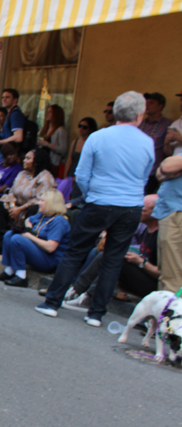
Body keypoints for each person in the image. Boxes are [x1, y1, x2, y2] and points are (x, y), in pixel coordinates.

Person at [36, 91, 155, 327]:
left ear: (116, 113)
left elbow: (81, 174)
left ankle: (52, 303)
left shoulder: (98, 137)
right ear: (139, 115)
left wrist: (92, 195)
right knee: (113, 258)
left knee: (75, 251)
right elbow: (145, 176)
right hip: (131, 205)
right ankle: (96, 314)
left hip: (100, 201)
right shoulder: (147, 142)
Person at [63, 194, 161, 308]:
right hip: (139, 276)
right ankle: (76, 291)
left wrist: (141, 262)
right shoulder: (146, 231)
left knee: (115, 259)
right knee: (105, 255)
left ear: (155, 213)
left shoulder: (161, 238)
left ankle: (88, 298)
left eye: (143, 210)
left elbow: (165, 275)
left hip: (155, 287)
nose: (138, 213)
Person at [0, 189, 71, 287]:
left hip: (50, 260)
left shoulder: (59, 221)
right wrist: (28, 227)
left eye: (42, 200)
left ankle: (21, 276)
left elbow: (50, 247)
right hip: (39, 253)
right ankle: (9, 270)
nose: (39, 203)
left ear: (51, 203)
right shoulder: (42, 215)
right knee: (9, 234)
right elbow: (28, 220)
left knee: (17, 239)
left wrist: (29, 236)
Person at [0, 148, 56, 253]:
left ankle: (23, 244)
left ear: (37, 161)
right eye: (25, 158)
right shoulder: (22, 174)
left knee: (34, 209)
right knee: (2, 204)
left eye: (28, 158)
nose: (24, 160)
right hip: (16, 207)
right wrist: (13, 207)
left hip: (29, 208)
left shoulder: (45, 177)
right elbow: (12, 192)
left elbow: (40, 199)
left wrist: (20, 209)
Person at [154, 154, 182, 293]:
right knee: (167, 272)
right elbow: (160, 174)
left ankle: (172, 307)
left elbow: (166, 167)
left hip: (177, 214)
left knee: (172, 276)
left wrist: (169, 170)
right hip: (171, 211)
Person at [0, 88, 25, 163]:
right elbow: (7, 134)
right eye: (3, 97)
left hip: (8, 158)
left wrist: (0, 142)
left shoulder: (15, 114)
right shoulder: (10, 114)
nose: (4, 99)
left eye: (7, 97)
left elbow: (18, 137)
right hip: (3, 157)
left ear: (15, 100)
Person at [140, 92, 170, 178]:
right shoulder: (140, 124)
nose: (147, 105)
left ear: (160, 106)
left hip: (154, 172)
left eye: (151, 103)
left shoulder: (167, 125)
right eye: (146, 102)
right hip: (138, 170)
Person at [38, 104, 68, 170]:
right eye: (47, 111)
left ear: (56, 114)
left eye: (50, 112)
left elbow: (63, 150)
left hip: (51, 163)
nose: (47, 113)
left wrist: (47, 144)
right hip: (40, 161)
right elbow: (38, 142)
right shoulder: (44, 129)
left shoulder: (60, 130)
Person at [163, 89, 182, 156]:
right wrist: (166, 143)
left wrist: (179, 138)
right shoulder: (175, 124)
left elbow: (178, 138)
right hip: (175, 162)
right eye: (181, 100)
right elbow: (169, 153)